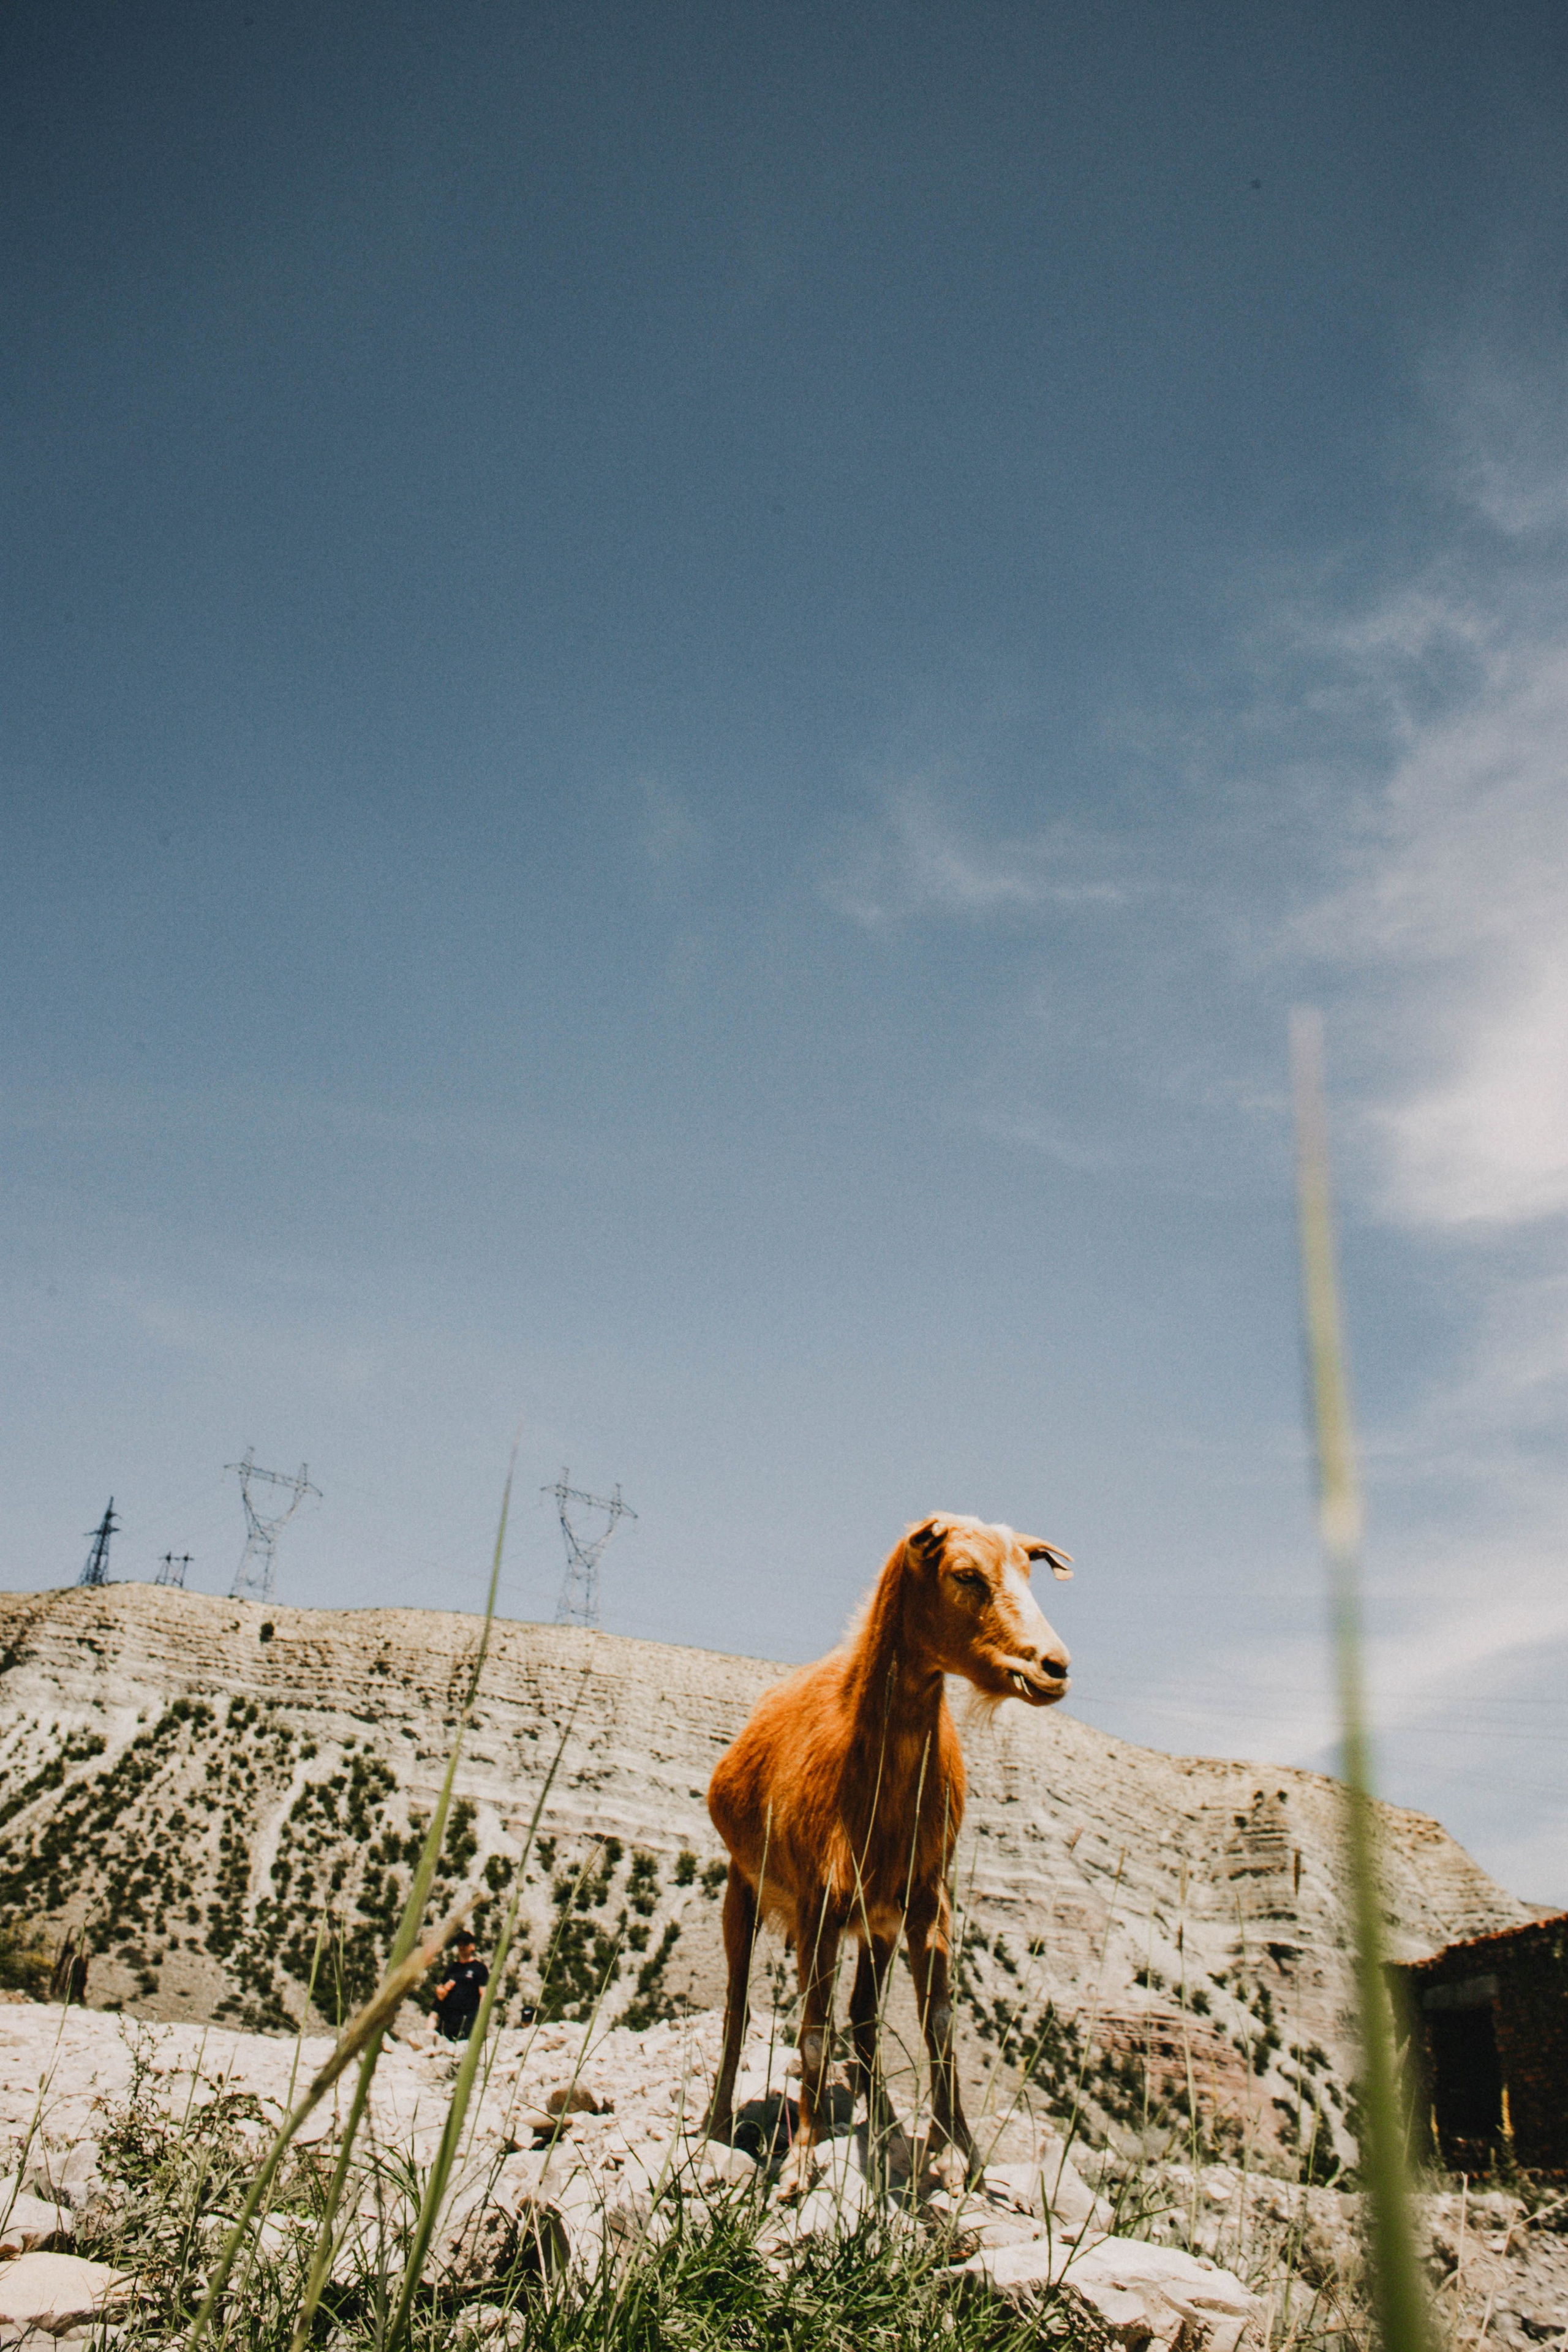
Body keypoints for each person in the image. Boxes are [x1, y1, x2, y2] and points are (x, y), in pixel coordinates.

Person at [432, 1932, 488, 2041]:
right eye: (460, 1944)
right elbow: (441, 1992)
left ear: (472, 1946)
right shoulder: (452, 1968)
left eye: (465, 1944)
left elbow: (484, 1994)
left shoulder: (479, 1968)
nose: (462, 1947)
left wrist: (481, 2018)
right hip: (450, 2017)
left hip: (468, 2018)